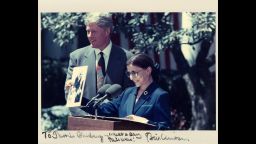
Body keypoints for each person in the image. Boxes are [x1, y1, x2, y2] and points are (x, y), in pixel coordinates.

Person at [65, 12, 134, 116]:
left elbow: (130, 95)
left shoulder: (127, 58)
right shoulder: (77, 57)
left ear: (107, 31)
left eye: (94, 32)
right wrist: (88, 119)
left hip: (115, 123)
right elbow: (72, 96)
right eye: (88, 31)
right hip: (84, 122)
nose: (89, 36)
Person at [83, 54, 171, 130]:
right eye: (129, 73)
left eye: (134, 73)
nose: (131, 78)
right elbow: (103, 110)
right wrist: (78, 98)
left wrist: (145, 122)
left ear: (148, 70)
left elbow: (164, 129)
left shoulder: (160, 95)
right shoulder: (128, 92)